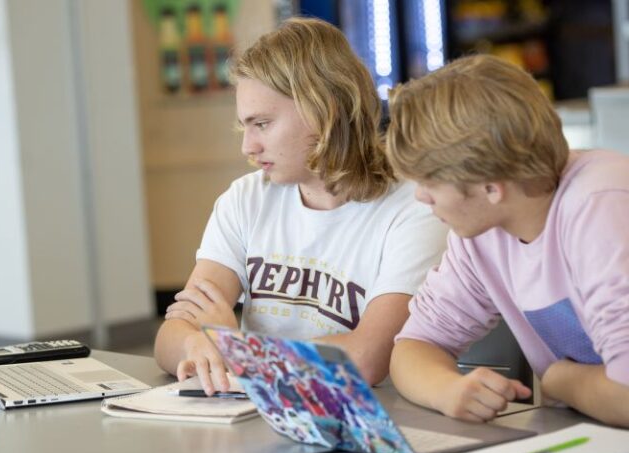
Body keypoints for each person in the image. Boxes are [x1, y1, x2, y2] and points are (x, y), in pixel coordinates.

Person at [153, 17, 447, 395]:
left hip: (374, 421)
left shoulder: (415, 208)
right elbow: (170, 338)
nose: (248, 147)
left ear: (323, 112)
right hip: (268, 414)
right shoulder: (245, 200)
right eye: (246, 127)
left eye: (262, 123)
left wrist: (235, 348)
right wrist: (197, 344)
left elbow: (366, 359)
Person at [386, 54, 629, 427]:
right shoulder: (480, 232)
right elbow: (413, 347)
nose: (421, 197)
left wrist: (561, 381)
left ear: (490, 187)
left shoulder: (600, 204)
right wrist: (448, 390)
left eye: (430, 182)